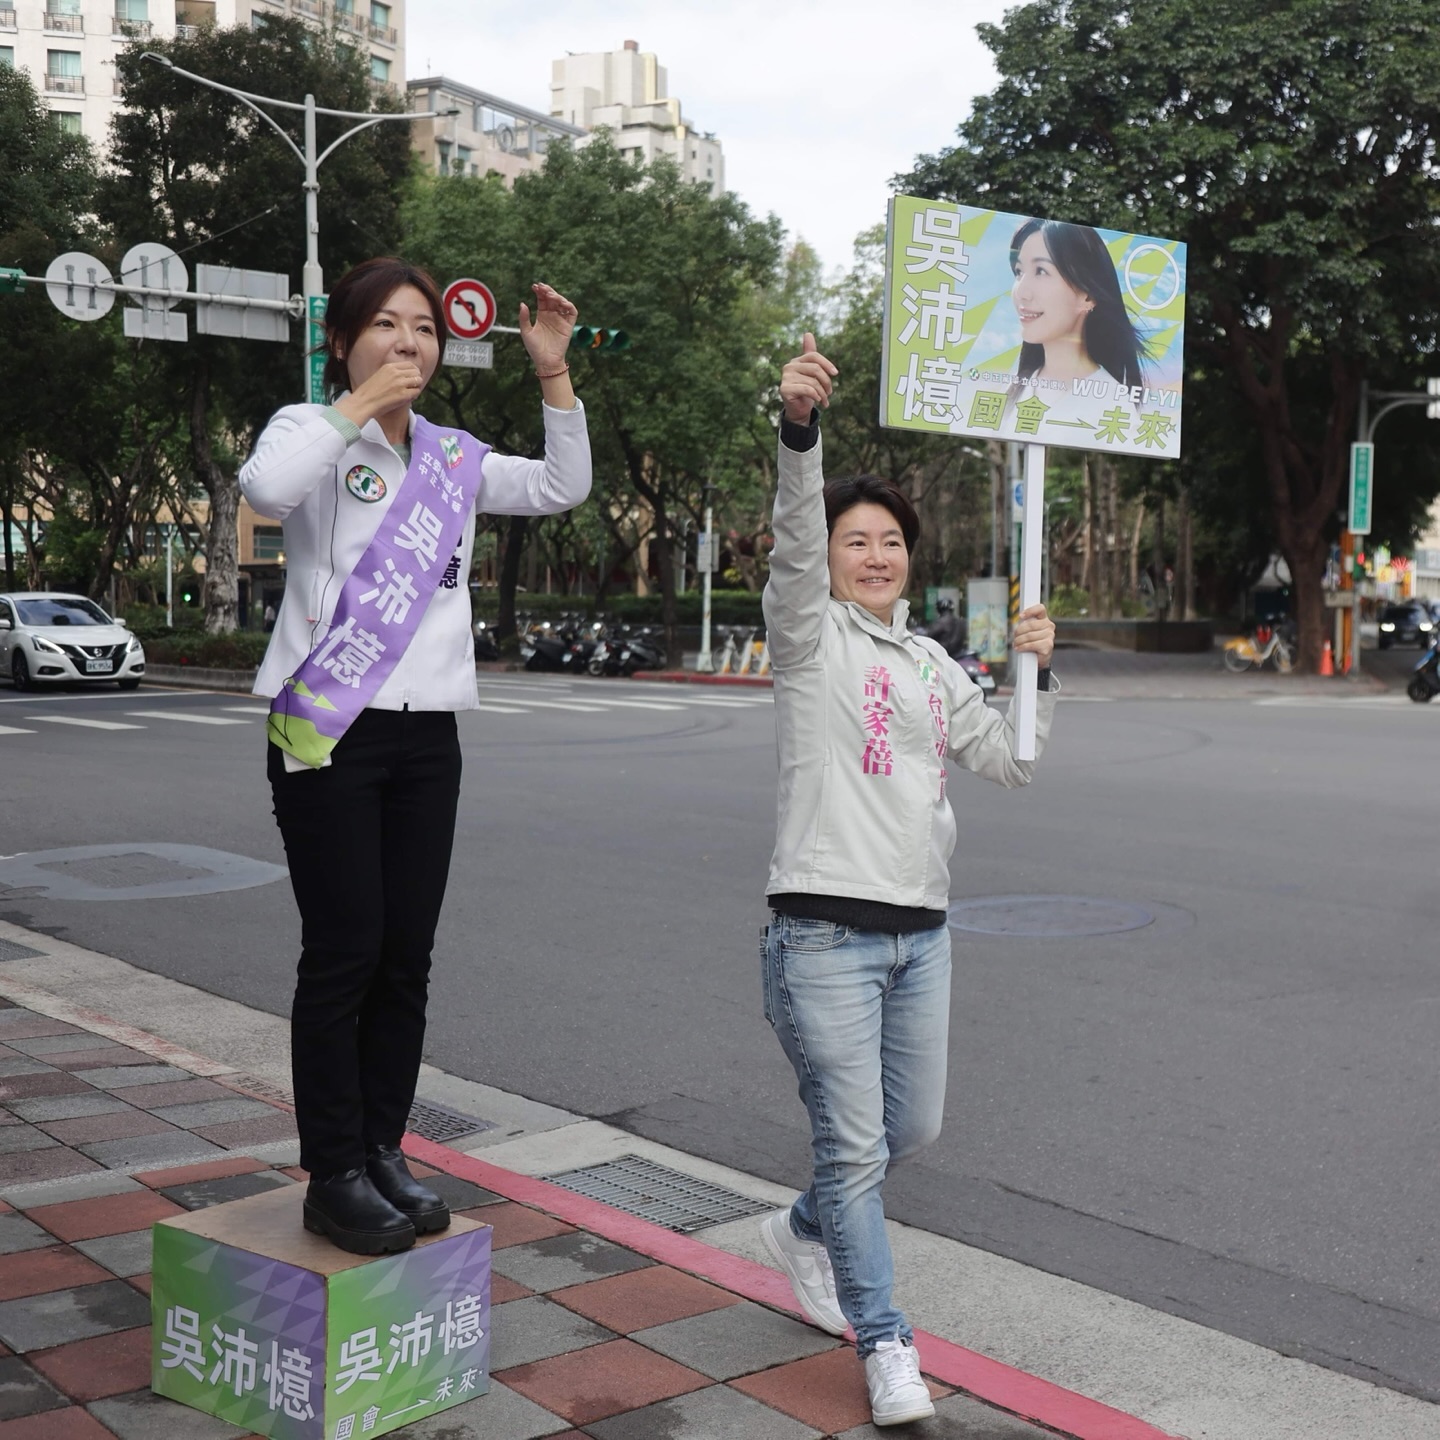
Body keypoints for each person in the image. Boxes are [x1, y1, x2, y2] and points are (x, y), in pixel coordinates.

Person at [240, 258, 591, 1255]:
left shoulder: (452, 458)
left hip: (426, 736)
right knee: (345, 951)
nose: (409, 343)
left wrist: (553, 376)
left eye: (425, 329)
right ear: (344, 340)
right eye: (386, 325)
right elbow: (267, 490)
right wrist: (354, 406)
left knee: (405, 958)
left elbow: (563, 484)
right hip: (326, 730)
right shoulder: (306, 430)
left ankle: (384, 1149)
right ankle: (334, 1171)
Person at [758, 334, 1057, 1426]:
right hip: (824, 938)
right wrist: (800, 436)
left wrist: (1034, 666)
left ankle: (800, 1229)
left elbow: (1009, 761)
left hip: (921, 936)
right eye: (855, 541)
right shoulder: (807, 641)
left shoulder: (931, 662)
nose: (874, 556)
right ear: (829, 556)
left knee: (904, 1136)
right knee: (854, 1149)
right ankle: (887, 1346)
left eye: (890, 541)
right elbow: (792, 545)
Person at [1007, 217, 1148, 425]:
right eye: (1019, 272)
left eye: (1041, 271)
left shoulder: (1113, 406)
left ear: (1087, 297)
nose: (1021, 292)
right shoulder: (1011, 389)